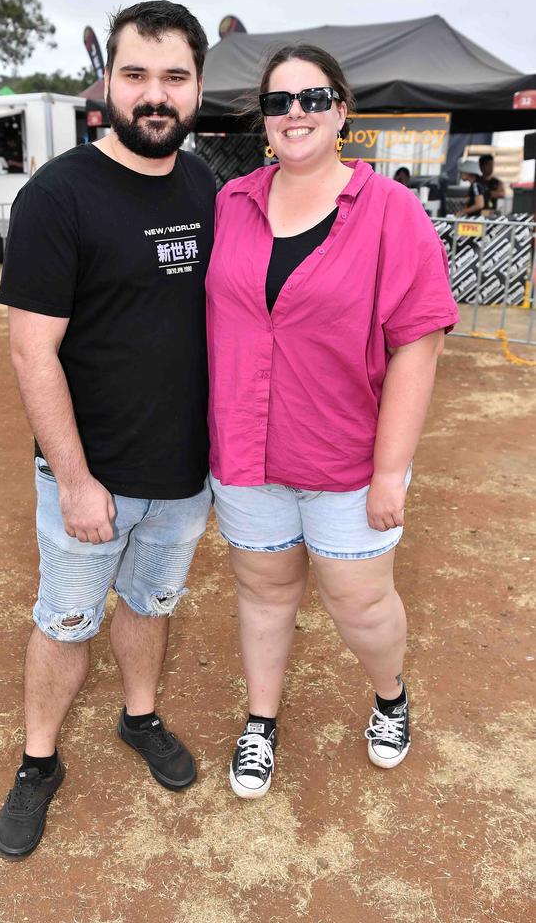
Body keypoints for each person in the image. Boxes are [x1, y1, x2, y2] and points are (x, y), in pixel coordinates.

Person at [206, 44, 459, 799]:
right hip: (247, 452)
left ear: (342, 111)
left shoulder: (392, 213)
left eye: (312, 98)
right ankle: (261, 721)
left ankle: (390, 697)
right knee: (263, 592)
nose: (295, 114)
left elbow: (418, 344)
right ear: (264, 120)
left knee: (360, 601)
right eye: (280, 102)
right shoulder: (232, 203)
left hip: (349, 457)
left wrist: (390, 472)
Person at [0, 0, 215, 857]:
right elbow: (31, 353)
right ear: (109, 82)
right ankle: (38, 762)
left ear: (197, 86)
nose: (154, 95)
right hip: (91, 476)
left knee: (152, 602)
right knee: (67, 618)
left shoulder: (207, 189)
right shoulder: (59, 195)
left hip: (185, 474)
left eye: (173, 77)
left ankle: (139, 717)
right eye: (136, 75)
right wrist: (78, 481)